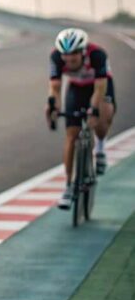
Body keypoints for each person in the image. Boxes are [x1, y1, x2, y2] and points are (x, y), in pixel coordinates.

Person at [45, 28, 116, 208]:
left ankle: (100, 149)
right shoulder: (56, 57)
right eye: (66, 56)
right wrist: (54, 107)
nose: (69, 59)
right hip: (76, 88)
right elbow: (55, 88)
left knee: (103, 115)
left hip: (99, 87)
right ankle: (68, 186)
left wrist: (94, 110)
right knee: (71, 134)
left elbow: (100, 89)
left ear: (83, 51)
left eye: (74, 56)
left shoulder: (97, 55)